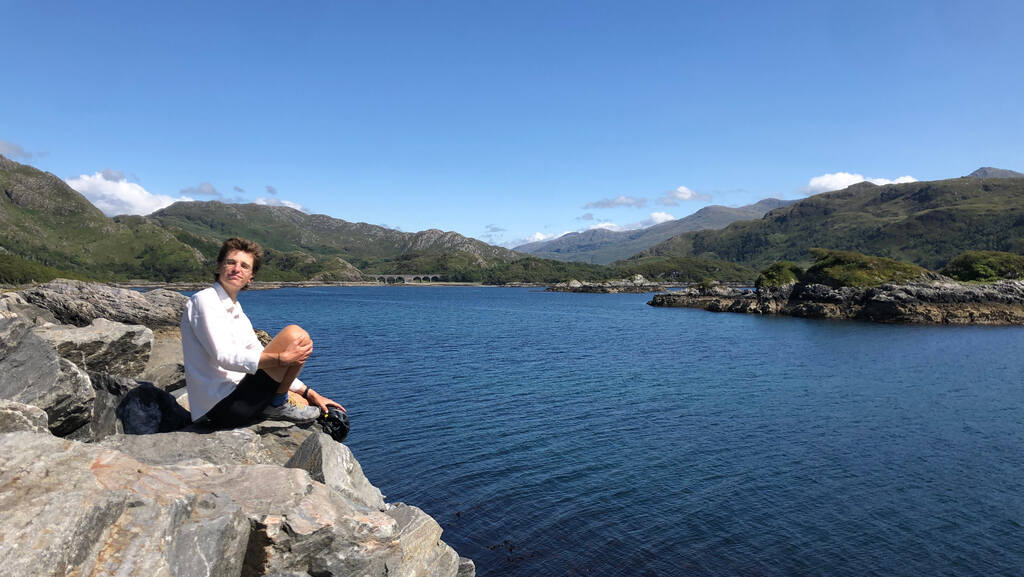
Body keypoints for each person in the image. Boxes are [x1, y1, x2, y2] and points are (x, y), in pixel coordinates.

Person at [180, 237, 344, 429]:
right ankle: (277, 403)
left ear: (251, 276)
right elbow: (223, 357)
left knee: (301, 339)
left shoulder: (235, 310)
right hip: (221, 407)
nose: (236, 269)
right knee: (294, 334)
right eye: (231, 262)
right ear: (218, 267)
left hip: (239, 398)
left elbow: (258, 352)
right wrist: (282, 359)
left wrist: (308, 392)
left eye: (244, 266)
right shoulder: (205, 300)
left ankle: (278, 401)